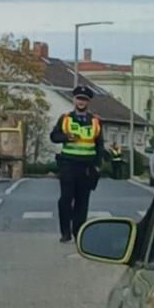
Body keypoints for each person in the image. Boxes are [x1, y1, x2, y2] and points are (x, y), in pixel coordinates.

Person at [49, 86, 104, 243]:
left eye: (84, 99)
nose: (81, 102)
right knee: (66, 199)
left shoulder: (95, 121)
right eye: (79, 98)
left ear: (89, 102)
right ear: (74, 100)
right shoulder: (65, 118)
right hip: (68, 164)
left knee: (82, 201)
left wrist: (98, 165)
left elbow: (100, 144)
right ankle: (65, 232)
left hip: (87, 167)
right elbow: (54, 136)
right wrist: (66, 137)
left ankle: (78, 232)